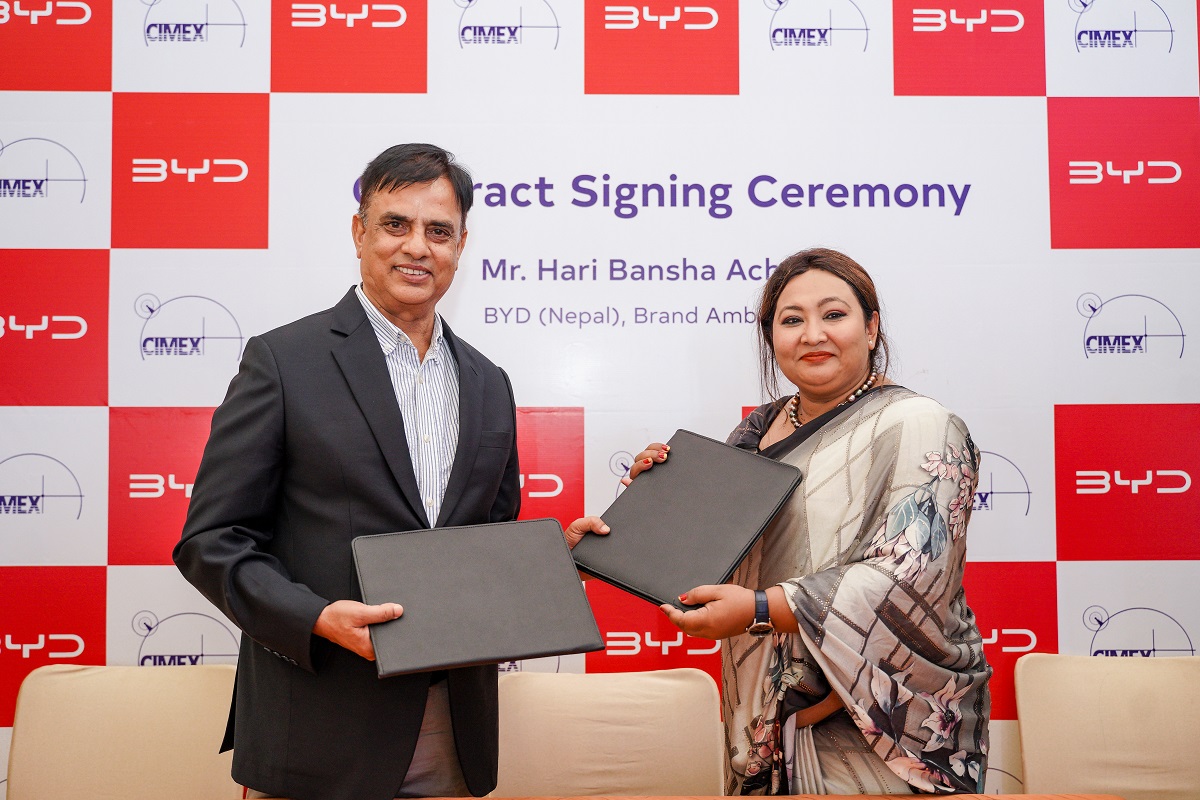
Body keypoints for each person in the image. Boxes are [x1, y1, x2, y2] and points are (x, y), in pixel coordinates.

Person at [173, 143, 607, 800]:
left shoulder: (489, 383)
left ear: (462, 245)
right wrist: (316, 617)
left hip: (453, 729)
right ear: (359, 232)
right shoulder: (283, 361)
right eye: (395, 224)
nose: (417, 247)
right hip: (319, 726)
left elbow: (483, 545)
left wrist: (545, 563)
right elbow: (211, 541)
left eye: (439, 231)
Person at [627, 248, 991, 795]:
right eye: (791, 320)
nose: (812, 334)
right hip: (762, 717)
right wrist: (653, 507)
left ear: (871, 328)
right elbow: (718, 555)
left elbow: (911, 577)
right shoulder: (757, 431)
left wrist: (759, 609)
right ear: (771, 337)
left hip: (875, 728)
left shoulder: (918, 424)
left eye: (834, 314)